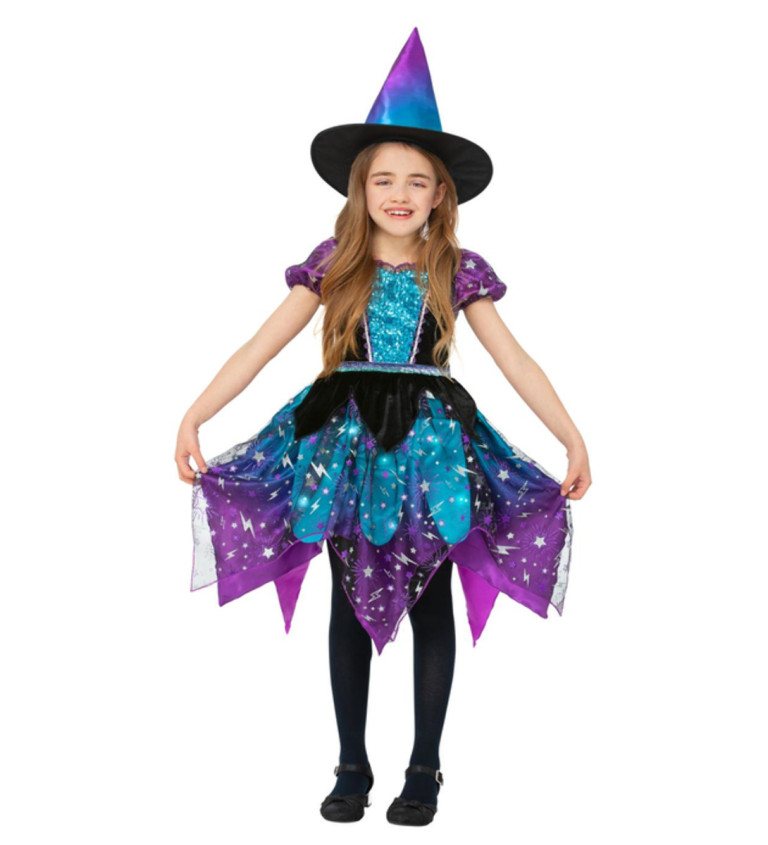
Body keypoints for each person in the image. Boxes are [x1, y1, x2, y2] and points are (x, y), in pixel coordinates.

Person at [175, 28, 591, 827]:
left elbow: (515, 359)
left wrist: (571, 435)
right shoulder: (334, 263)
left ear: (440, 195)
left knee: (430, 598)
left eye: (417, 181)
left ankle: (425, 766)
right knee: (345, 600)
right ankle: (350, 762)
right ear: (360, 188)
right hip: (347, 448)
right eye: (384, 179)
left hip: (431, 452)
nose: (400, 194)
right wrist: (196, 412)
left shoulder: (456, 270)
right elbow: (260, 346)